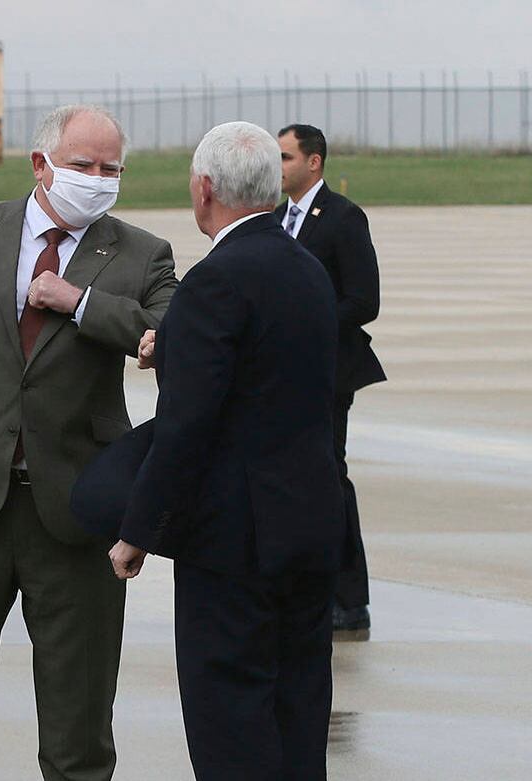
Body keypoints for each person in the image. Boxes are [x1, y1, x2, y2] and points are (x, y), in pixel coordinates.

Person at [0, 104, 177, 781]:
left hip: (78, 520)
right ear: (40, 164)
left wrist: (77, 301)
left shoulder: (141, 253)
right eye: (84, 166)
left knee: (78, 739)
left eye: (112, 169)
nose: (99, 179)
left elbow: (171, 334)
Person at [110, 122, 345, 780]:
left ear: (205, 189)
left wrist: (137, 531)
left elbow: (187, 425)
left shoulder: (215, 281)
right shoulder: (307, 269)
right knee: (299, 713)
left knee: (231, 727)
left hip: (238, 540)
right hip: (309, 524)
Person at [276, 123, 386, 634]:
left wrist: (307, 327)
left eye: (285, 158)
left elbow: (364, 301)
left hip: (329, 372)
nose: (278, 168)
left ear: (313, 162)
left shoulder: (343, 218)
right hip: (284, 378)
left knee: (329, 480)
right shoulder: (276, 220)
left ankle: (349, 597)